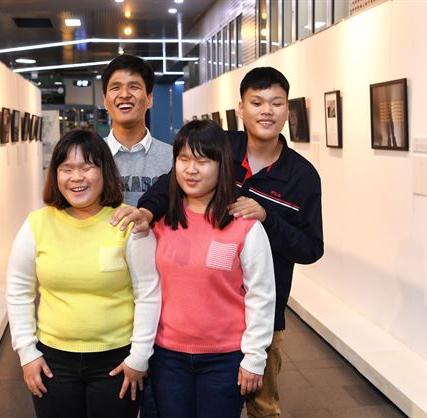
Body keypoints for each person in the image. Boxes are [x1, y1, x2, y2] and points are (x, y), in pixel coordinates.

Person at [114, 66, 324, 418]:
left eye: (276, 103)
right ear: (241, 108)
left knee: (263, 406)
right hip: (191, 323)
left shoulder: (301, 175)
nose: (266, 111)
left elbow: (310, 248)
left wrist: (267, 218)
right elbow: (172, 182)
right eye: (256, 102)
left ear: (289, 109)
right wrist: (149, 211)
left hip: (263, 315)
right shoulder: (220, 148)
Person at [6, 129, 161, 418]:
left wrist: (139, 357)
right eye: (66, 168)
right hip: (52, 362)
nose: (76, 178)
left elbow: (149, 294)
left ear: (105, 172)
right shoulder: (37, 224)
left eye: (87, 167)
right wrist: (27, 353)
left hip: (117, 362)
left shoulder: (127, 222)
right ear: (56, 175)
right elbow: (18, 291)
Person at [149, 119, 275, 418]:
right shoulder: (160, 223)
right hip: (168, 356)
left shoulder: (244, 226)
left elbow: (261, 296)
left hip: (225, 359)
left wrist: (254, 358)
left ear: (221, 166)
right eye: (183, 160)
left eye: (202, 161)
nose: (191, 170)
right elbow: (145, 290)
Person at [101, 54, 173, 206]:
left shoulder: (173, 158)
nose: (125, 95)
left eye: (134, 87)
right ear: (105, 101)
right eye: (115, 88)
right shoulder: (91, 157)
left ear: (150, 99)